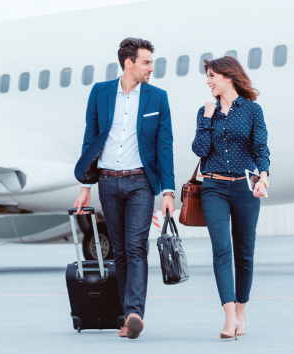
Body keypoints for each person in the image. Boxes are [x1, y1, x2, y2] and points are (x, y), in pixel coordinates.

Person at [74, 37, 176, 339]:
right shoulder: (100, 93)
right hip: (107, 180)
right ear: (128, 63)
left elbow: (164, 145)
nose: (151, 69)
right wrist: (85, 186)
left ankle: (134, 313)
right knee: (119, 250)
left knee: (135, 246)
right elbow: (90, 138)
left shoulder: (157, 97)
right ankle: (126, 316)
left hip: (140, 183)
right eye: (146, 62)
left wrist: (168, 191)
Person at [192, 56, 270, 339]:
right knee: (221, 249)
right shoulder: (205, 110)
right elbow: (200, 149)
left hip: (244, 188)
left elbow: (261, 146)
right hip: (213, 187)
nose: (208, 81)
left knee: (244, 254)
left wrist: (264, 176)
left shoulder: (252, 110)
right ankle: (228, 317)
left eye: (212, 75)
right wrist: (207, 118)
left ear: (228, 77)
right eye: (208, 76)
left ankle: (241, 312)